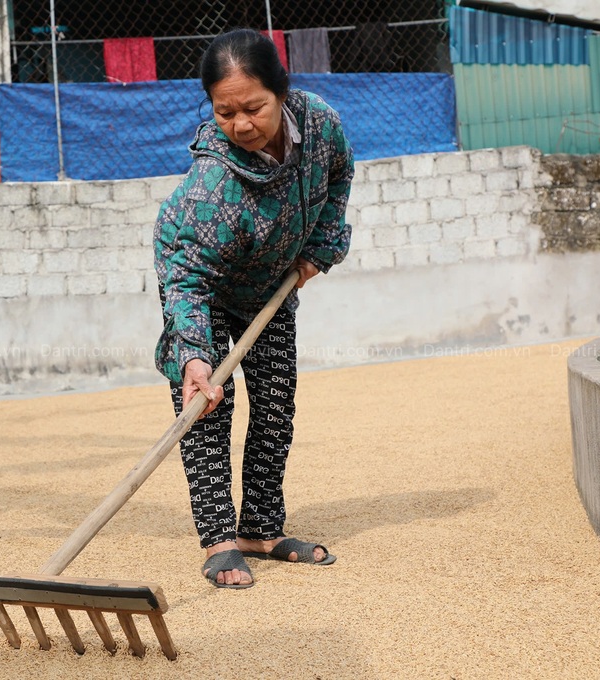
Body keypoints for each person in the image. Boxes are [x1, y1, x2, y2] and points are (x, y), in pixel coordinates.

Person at [153, 28, 355, 588]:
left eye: (253, 108)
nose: (241, 125)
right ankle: (220, 540)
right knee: (207, 410)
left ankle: (260, 529)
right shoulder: (212, 184)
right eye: (225, 112)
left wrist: (321, 248)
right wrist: (194, 359)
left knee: (275, 403)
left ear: (282, 92)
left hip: (269, 286)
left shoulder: (320, 125)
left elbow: (339, 179)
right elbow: (187, 279)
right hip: (204, 288)